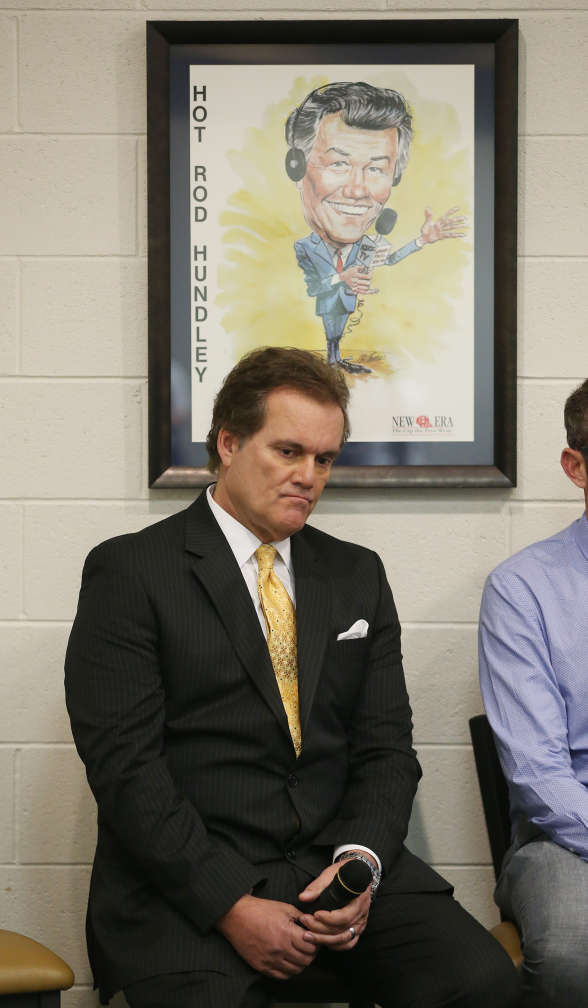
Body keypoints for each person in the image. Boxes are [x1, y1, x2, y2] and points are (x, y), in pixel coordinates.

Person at [66, 346, 519, 1007]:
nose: (308, 475)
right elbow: (124, 768)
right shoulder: (132, 572)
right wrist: (231, 905)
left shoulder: (356, 574)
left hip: (332, 867)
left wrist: (360, 867)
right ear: (228, 443)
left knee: (480, 983)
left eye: (324, 459)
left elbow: (385, 750)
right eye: (287, 452)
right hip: (187, 887)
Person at [479, 377, 588, 1007]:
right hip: (565, 838)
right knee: (576, 954)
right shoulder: (523, 589)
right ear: (576, 467)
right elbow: (537, 772)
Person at [285, 82, 465, 373]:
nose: (358, 191)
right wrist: (342, 277)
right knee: (331, 331)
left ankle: (335, 358)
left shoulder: (366, 246)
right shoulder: (302, 248)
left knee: (337, 332)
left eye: (376, 169)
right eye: (339, 164)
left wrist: (421, 241)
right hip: (329, 305)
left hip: (345, 305)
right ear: (296, 168)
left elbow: (391, 259)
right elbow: (313, 287)